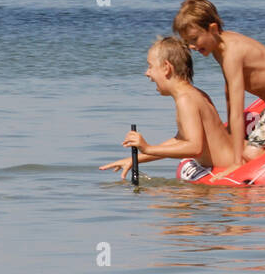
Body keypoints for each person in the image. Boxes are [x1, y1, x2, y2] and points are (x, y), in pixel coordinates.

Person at [173, 0, 265, 169]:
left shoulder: (232, 54)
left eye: (194, 39)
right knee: (247, 144)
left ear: (213, 29)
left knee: (250, 153)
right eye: (188, 42)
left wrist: (236, 162)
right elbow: (229, 91)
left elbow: (238, 110)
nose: (192, 46)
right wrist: (230, 132)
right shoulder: (220, 47)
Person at [99, 36, 237, 181]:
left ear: (166, 68)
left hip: (228, 171)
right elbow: (180, 141)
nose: (147, 73)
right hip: (225, 163)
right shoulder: (194, 94)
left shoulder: (186, 100)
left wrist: (147, 148)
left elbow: (195, 148)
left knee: (160, 202)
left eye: (150, 66)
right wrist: (135, 159)